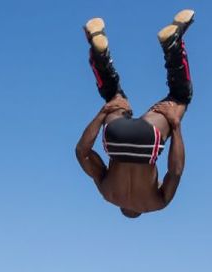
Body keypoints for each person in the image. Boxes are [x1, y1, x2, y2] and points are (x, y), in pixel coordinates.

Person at [76, 10, 194, 218]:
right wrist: (103, 113)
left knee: (180, 97)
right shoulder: (108, 193)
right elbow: (82, 153)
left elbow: (175, 172)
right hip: (116, 138)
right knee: (114, 97)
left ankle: (173, 43)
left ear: (138, 210)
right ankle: (97, 50)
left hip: (147, 143)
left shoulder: (155, 203)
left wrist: (176, 126)